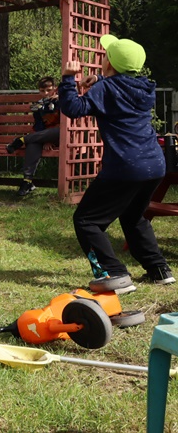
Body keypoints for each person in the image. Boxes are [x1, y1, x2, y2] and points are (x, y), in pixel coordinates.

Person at [60, 34, 173, 294]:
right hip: (155, 164)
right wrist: (99, 80)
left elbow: (74, 109)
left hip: (125, 166)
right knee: (134, 217)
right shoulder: (145, 87)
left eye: (106, 54)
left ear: (109, 63)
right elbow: (121, 88)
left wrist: (68, 78)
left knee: (87, 220)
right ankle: (159, 269)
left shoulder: (106, 89)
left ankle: (114, 273)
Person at [6, 76, 60, 197]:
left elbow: (64, 123)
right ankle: (27, 181)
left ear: (55, 89)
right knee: (33, 143)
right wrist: (45, 140)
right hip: (43, 138)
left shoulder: (61, 102)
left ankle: (21, 140)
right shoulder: (38, 106)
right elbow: (39, 126)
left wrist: (59, 100)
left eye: (49, 90)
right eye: (42, 91)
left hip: (61, 136)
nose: (46, 93)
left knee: (58, 130)